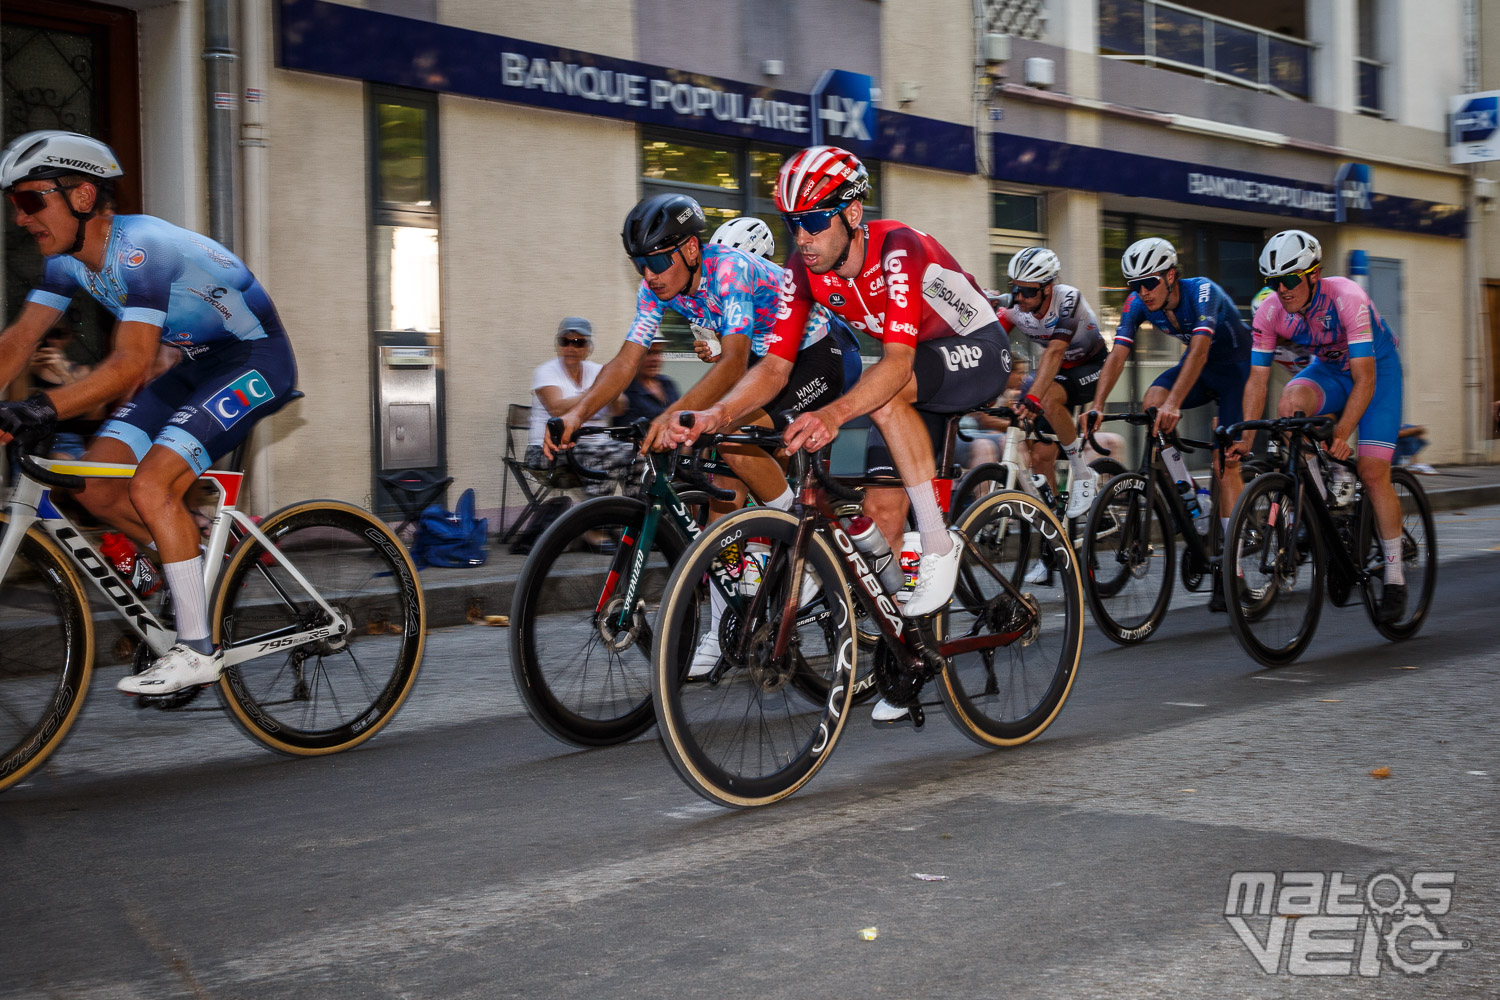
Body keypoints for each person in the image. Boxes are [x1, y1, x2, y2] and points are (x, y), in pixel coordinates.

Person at [668, 145, 1012, 723]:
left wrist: (831, 416)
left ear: (852, 215)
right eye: (791, 222)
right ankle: (909, 658)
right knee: (879, 511)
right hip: (914, 371)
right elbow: (774, 369)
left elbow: (897, 367)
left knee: (885, 396)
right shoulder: (805, 270)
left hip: (976, 351)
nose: (800, 237)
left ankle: (939, 544)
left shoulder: (898, 249)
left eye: (812, 221)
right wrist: (716, 416)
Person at [0, 129, 298, 695]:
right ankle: (185, 554)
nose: (20, 218)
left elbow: (130, 363)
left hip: (255, 358)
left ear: (82, 196)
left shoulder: (142, 246)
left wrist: (40, 407)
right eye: (15, 204)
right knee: (92, 486)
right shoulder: (65, 264)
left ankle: (197, 651)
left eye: (31, 200)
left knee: (153, 485)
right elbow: (17, 343)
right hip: (195, 363)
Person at [547, 194, 857, 677]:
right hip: (765, 363)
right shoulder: (655, 288)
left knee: (732, 436)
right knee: (719, 490)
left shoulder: (728, 270)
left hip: (816, 354)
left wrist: (674, 415)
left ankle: (807, 550)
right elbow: (627, 360)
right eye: (639, 263)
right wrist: (578, 414)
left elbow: (733, 361)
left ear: (692, 250)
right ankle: (721, 626)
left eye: (655, 260)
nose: (647, 273)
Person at [1227, 229, 1408, 623]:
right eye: (1273, 282)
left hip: (1375, 375)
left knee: (1374, 472)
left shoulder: (1348, 298)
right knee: (1289, 405)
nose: (1282, 289)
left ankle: (1394, 575)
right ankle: (1324, 503)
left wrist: (1342, 433)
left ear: (1313, 274)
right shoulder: (1270, 311)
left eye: (1290, 279)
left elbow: (1365, 379)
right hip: (1328, 371)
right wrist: (1245, 437)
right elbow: (1257, 379)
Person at [1083, 236, 1251, 612]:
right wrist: (1096, 405)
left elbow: (1201, 349)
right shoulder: (1137, 303)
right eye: (1135, 285)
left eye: (1150, 283)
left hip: (1236, 371)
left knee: (1226, 464)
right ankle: (1191, 497)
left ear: (1171, 275)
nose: (1143, 292)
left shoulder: (1203, 292)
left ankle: (1233, 570)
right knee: (1152, 404)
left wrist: (1176, 402)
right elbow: (1118, 354)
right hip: (1200, 369)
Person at [994, 247, 1106, 518]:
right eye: (1016, 288)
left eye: (1028, 291)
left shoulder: (1068, 299)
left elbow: (1055, 351)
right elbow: (991, 346)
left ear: (1048, 287)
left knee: (1042, 397)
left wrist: (1033, 395)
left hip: (1090, 365)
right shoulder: (1014, 308)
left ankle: (1083, 473)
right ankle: (1053, 536)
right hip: (1057, 371)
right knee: (1041, 456)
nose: (1020, 297)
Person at [527, 317, 630, 495]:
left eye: (578, 343)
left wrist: (611, 392)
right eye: (565, 341)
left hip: (597, 445)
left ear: (588, 348)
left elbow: (621, 406)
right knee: (606, 457)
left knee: (638, 455)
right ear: (558, 345)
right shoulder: (546, 371)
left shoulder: (598, 371)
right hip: (548, 450)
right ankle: (602, 520)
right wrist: (598, 392)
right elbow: (557, 409)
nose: (571, 348)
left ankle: (638, 517)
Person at [616, 335, 679, 425]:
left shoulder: (667, 383)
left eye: (658, 353)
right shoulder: (625, 388)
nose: (654, 359)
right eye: (648, 353)